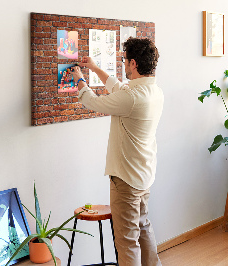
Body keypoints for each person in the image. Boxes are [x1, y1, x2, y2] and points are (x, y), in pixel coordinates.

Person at [68, 37, 163, 266]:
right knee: (143, 229)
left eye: (123, 62)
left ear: (133, 63)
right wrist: (95, 68)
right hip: (143, 175)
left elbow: (93, 102)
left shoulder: (131, 98)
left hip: (126, 179)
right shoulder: (154, 92)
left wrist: (79, 78)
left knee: (127, 241)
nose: (123, 66)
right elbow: (118, 88)